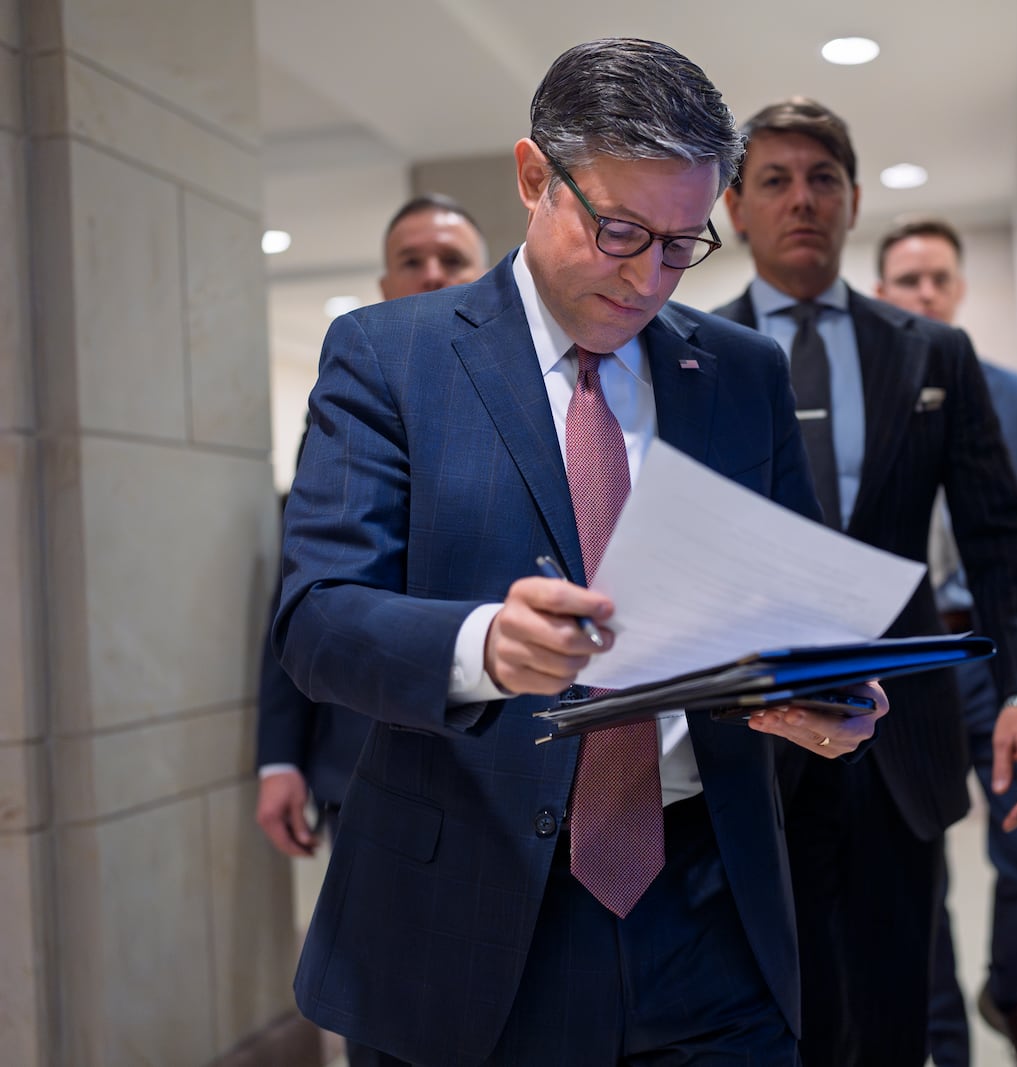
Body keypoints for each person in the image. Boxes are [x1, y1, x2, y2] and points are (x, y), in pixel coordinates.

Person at [271, 40, 887, 1066]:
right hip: (468, 919)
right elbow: (318, 618)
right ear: (531, 177)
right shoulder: (392, 356)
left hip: (711, 911)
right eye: (618, 230)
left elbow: (790, 598)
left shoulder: (738, 372)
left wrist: (823, 690)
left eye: (682, 243)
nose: (648, 275)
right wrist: (484, 647)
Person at [714, 98, 1017, 1067]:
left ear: (854, 199)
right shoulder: (688, 353)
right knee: (785, 1010)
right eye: (773, 181)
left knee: (899, 1001)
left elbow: (999, 538)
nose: (801, 200)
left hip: (903, 729)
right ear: (735, 207)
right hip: (757, 730)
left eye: (822, 179)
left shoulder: (929, 350)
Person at [878, 218, 1017, 1067]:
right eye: (908, 280)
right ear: (884, 292)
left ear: (959, 288)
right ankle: (944, 1044)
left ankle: (1008, 987)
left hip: (997, 653)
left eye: (939, 278)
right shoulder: (868, 399)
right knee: (916, 868)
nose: (926, 293)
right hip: (904, 661)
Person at [256, 195, 489, 863]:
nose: (432, 274)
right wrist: (278, 757)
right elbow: (301, 587)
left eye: (452, 259)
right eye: (411, 261)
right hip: (361, 749)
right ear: (386, 284)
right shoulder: (348, 402)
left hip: (494, 753)